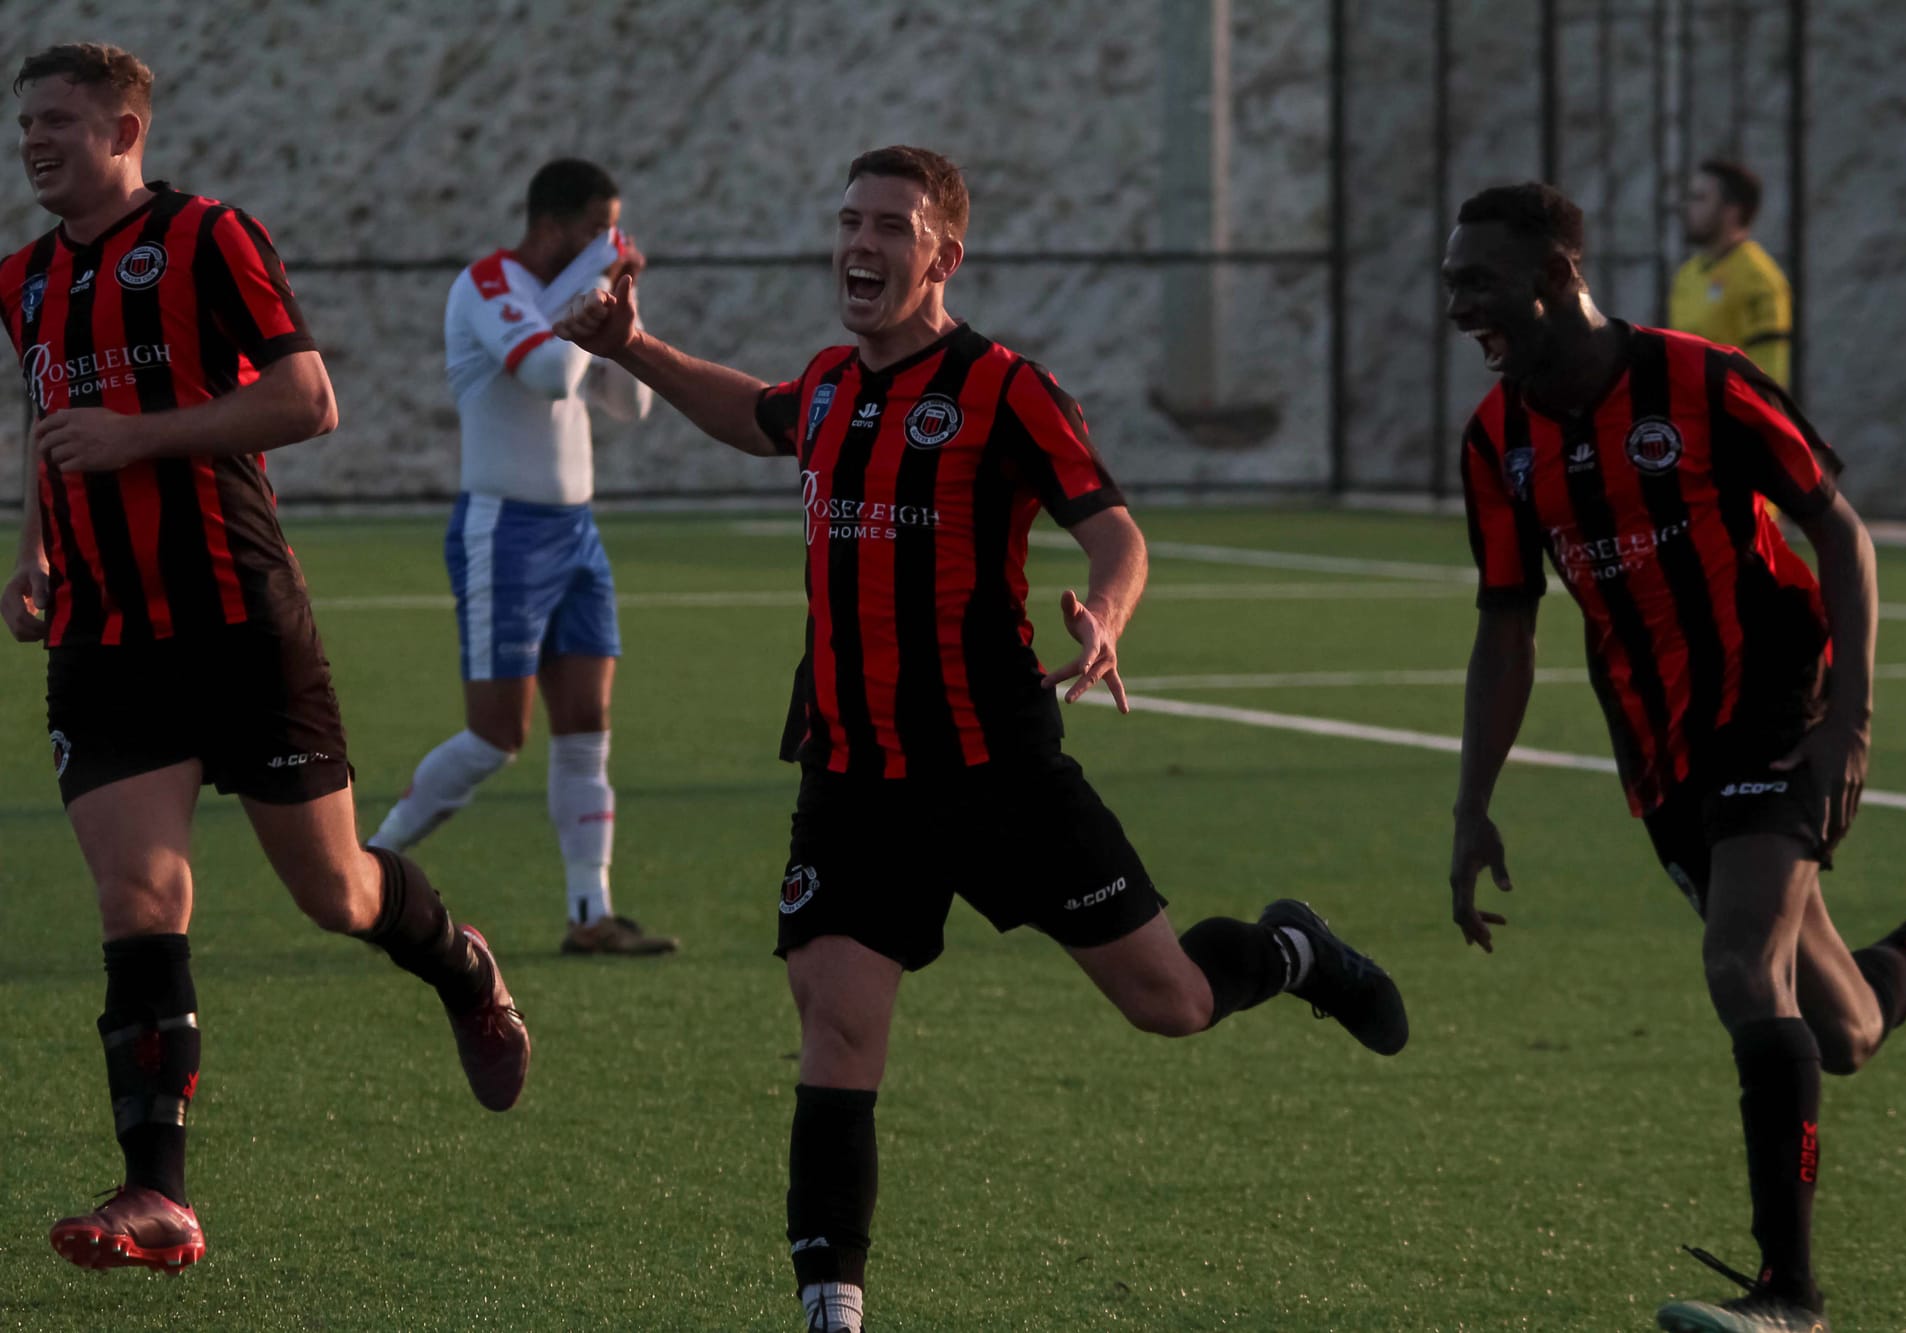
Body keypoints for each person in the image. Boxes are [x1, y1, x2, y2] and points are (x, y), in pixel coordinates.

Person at [554, 144, 1409, 1333]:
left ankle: (1293, 952)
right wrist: (630, 348)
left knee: (1166, 1002)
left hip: (996, 767)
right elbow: (755, 417)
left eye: (891, 227)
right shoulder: (831, 388)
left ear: (942, 254)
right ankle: (831, 1306)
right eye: (849, 220)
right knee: (837, 1020)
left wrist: (1104, 619)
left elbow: (1113, 530)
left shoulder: (1005, 388)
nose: (862, 244)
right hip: (852, 774)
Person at [1, 43, 530, 1275]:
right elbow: (51, 420)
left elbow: (306, 399)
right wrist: (34, 554)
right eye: (26, 122)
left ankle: (461, 967)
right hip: (103, 638)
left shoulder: (206, 238)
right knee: (139, 898)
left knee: (334, 892)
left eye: (62, 122)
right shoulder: (23, 279)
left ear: (125, 128)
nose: (35, 141)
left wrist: (143, 438)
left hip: (240, 620)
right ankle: (158, 1193)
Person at [1442, 181, 1906, 1333]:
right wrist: (1470, 803)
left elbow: (1836, 528)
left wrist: (1846, 717)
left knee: (1739, 965)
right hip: (1656, 746)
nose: (1456, 308)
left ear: (1552, 278)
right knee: (1837, 1030)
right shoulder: (1494, 440)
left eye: (1475, 283)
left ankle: (1788, 1297)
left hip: (1773, 699)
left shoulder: (1697, 382)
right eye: (1450, 284)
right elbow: (1507, 621)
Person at [366, 158, 674, 957]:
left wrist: (620, 314)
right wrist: (592, 286)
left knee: (586, 726)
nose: (611, 240)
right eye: (599, 228)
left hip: (578, 535)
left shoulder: (570, 292)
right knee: (496, 735)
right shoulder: (487, 284)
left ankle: (590, 911)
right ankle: (368, 867)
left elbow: (630, 401)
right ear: (555, 227)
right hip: (503, 531)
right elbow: (545, 371)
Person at [1669, 159, 1792, 389]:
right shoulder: (1687, 275)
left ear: (1731, 211)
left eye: (1700, 198)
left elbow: (1769, 378)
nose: (1688, 207)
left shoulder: (1758, 279)